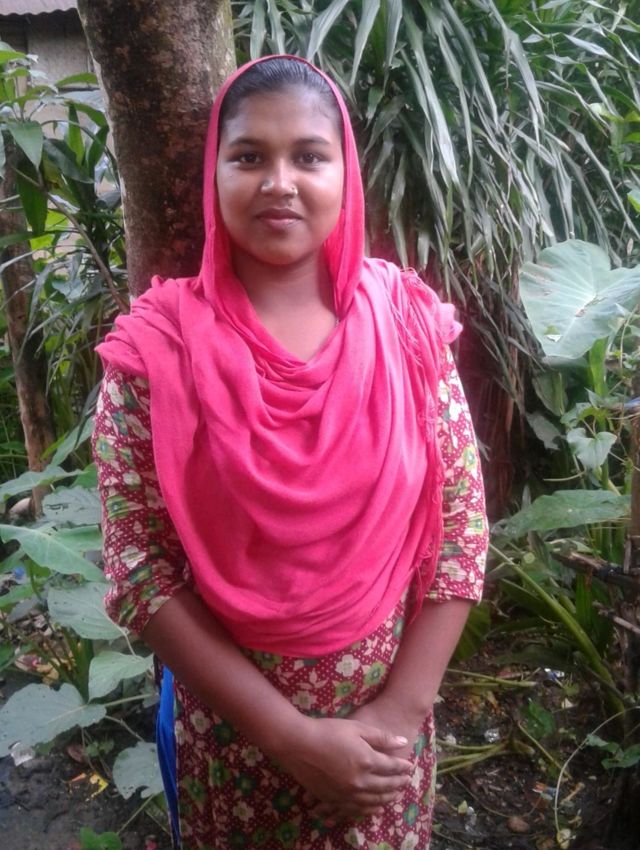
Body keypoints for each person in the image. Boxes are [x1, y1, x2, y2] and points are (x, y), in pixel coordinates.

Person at [92, 55, 488, 850]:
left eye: (309, 156)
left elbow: (462, 527)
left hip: (385, 752)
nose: (280, 182)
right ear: (214, 175)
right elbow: (138, 569)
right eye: (249, 157)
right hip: (235, 746)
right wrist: (291, 738)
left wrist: (398, 717)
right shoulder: (155, 354)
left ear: (346, 174)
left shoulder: (407, 329)